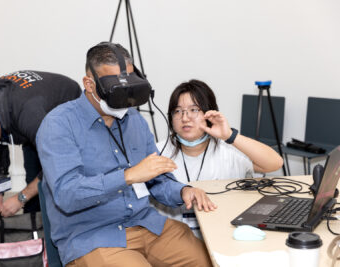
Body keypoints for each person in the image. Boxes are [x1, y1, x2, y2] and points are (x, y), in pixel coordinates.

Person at [36, 42, 217, 267]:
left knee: (210, 261)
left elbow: (157, 179)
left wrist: (183, 191)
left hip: (146, 223)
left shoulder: (135, 121)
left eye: (128, 86)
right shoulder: (59, 125)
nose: (124, 98)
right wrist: (128, 176)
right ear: (89, 84)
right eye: (115, 88)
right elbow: (67, 194)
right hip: (93, 237)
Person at [154, 79, 284, 238]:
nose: (185, 118)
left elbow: (275, 163)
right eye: (178, 111)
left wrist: (229, 135)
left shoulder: (230, 150)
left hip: (222, 236)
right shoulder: (157, 153)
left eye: (194, 110)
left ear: (209, 114)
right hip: (174, 242)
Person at [0, 70, 82, 217]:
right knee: (32, 178)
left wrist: (21, 198)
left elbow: (56, 162)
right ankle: (35, 228)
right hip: (30, 116)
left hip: (67, 105)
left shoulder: (28, 116)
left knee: (52, 183)